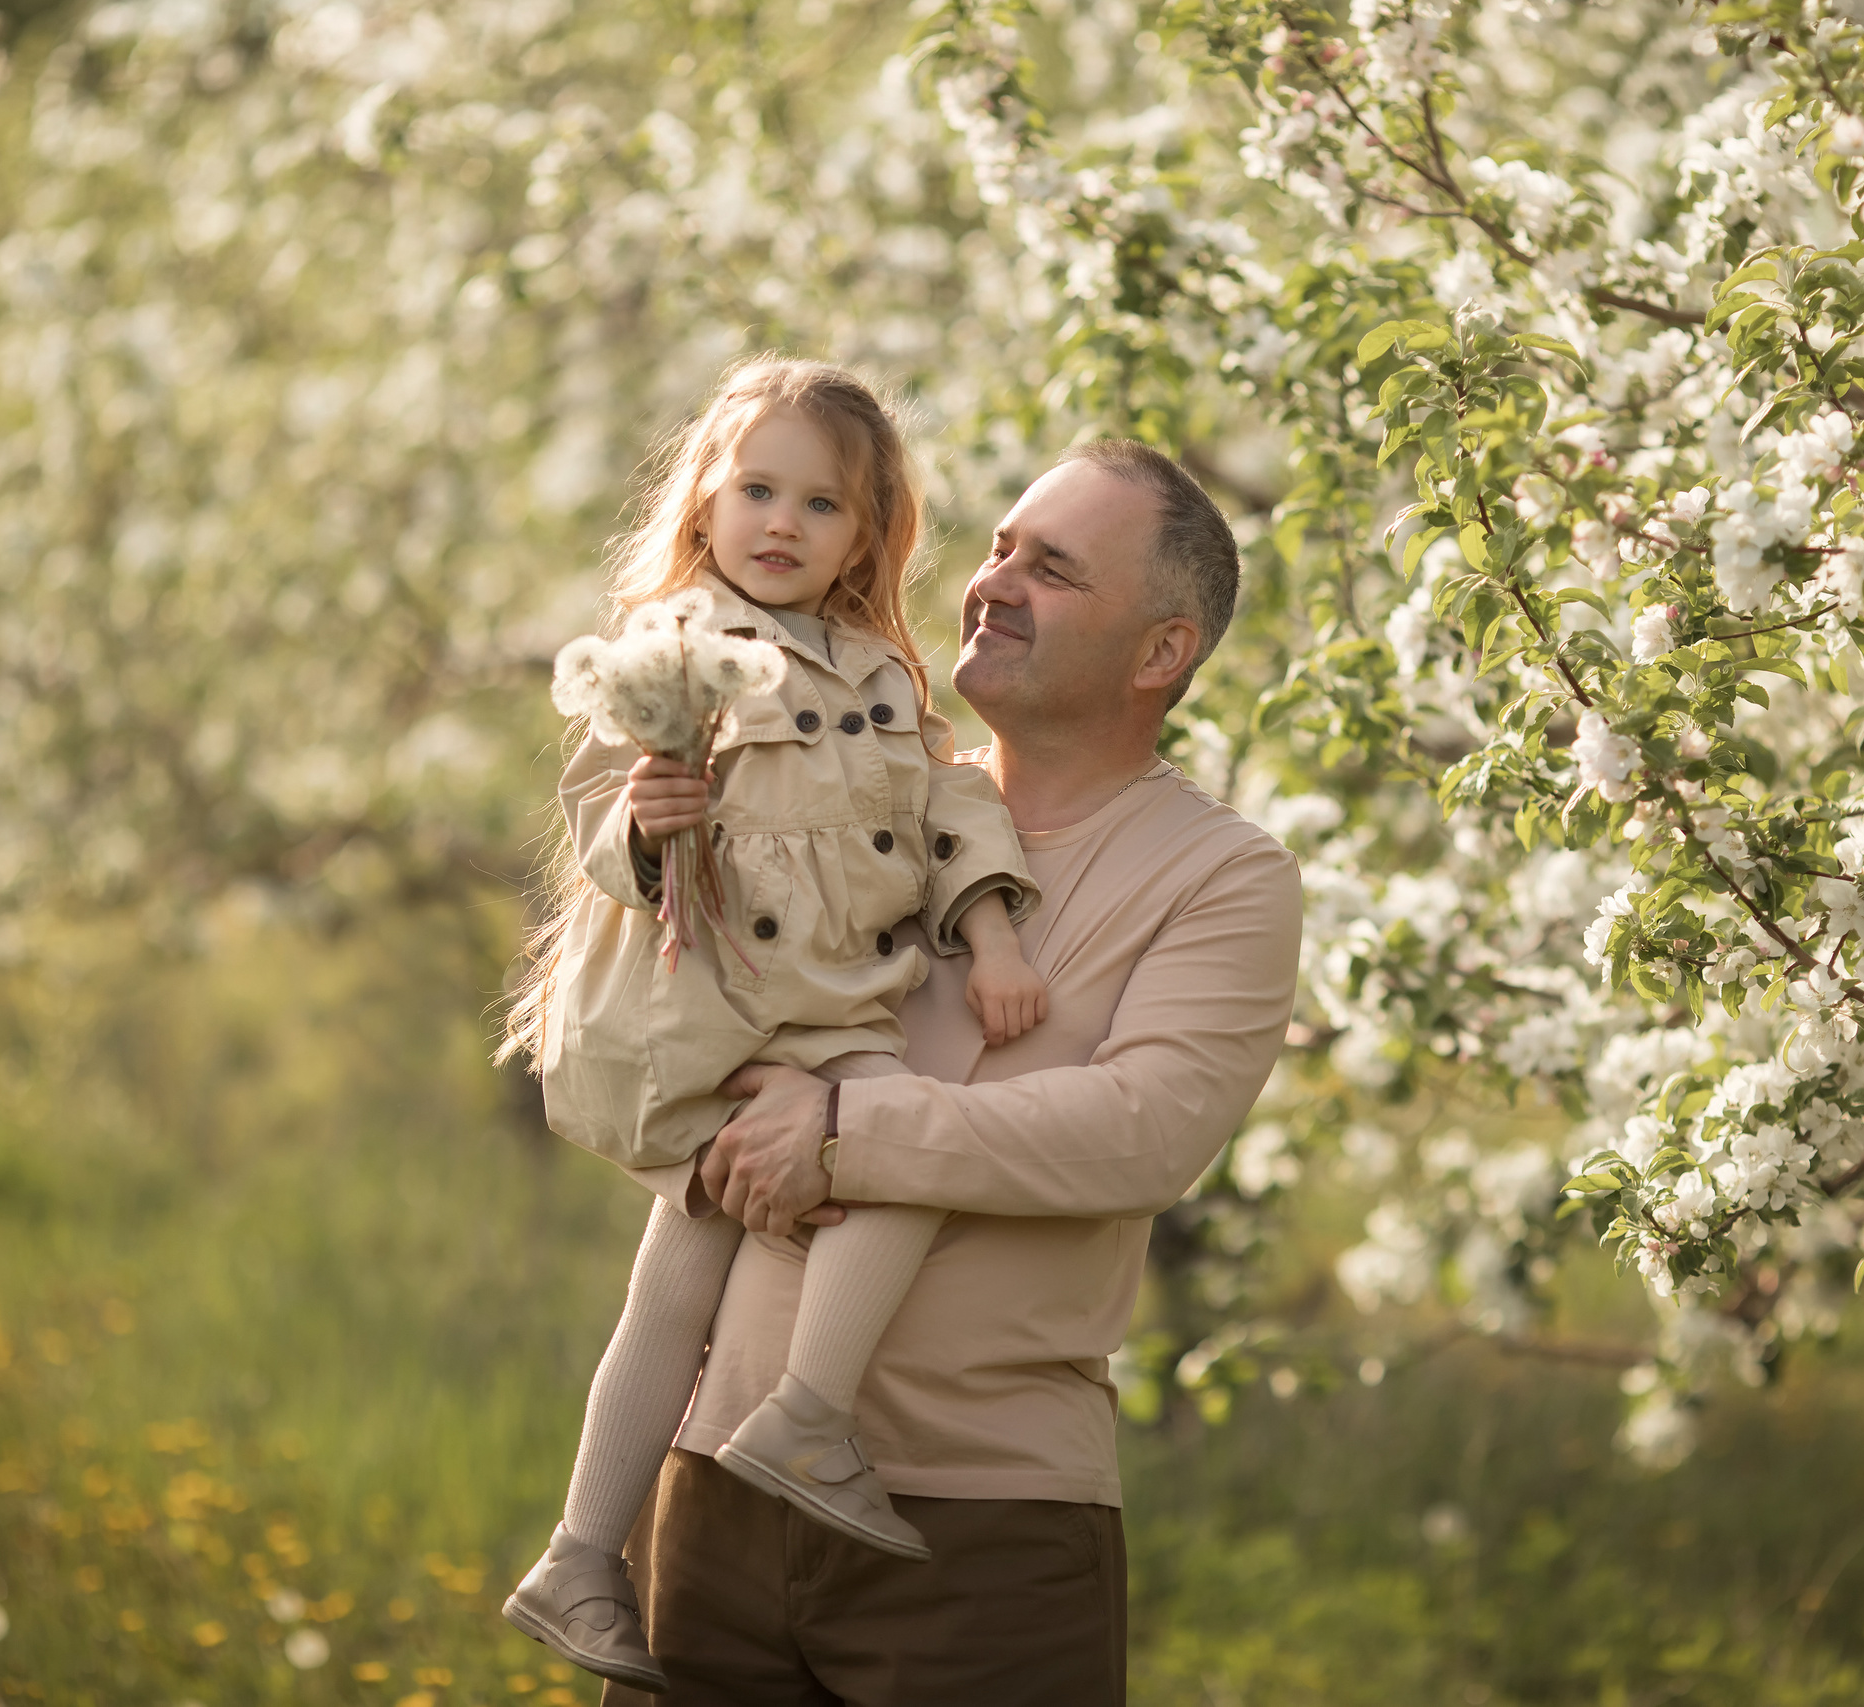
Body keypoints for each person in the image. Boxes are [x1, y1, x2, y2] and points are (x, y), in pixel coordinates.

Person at [603, 440, 1304, 1705]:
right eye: (997, 549)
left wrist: (835, 1130)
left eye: (1052, 569)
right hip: (711, 1490)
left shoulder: (1223, 876)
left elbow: (1138, 1133)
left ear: (1161, 651)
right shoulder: (850, 785)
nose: (993, 584)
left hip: (980, 1528)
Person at [494, 359, 1049, 1694]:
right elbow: (597, 823)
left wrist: (992, 930)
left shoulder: (873, 669)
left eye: (822, 503)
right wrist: (647, 819)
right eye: (756, 488)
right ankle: (806, 1413)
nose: (782, 522)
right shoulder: (671, 646)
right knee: (904, 1142)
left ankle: (580, 1553)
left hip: (809, 1013)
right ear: (705, 496)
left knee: (675, 1290)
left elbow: (949, 806)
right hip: (718, 1010)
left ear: (870, 536)